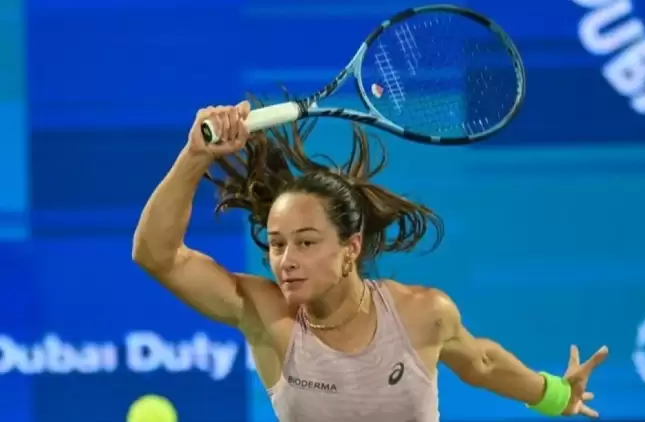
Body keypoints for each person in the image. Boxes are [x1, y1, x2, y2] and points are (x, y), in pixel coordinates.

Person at [132, 100, 609, 422]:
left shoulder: (422, 313)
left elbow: (481, 363)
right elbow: (158, 256)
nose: (286, 260)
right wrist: (195, 155)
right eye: (277, 245)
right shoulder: (264, 314)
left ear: (351, 248)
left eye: (306, 242)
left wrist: (557, 395)